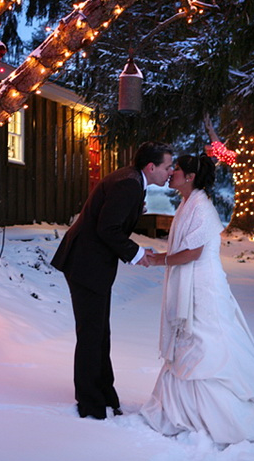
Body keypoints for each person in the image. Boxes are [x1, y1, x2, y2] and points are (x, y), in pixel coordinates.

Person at [140, 153, 254, 445]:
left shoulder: (202, 208)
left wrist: (158, 261)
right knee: (188, 343)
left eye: (177, 169)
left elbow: (193, 252)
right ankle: (179, 410)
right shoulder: (186, 204)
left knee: (205, 344)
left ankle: (227, 419)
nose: (171, 173)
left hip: (203, 288)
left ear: (191, 176)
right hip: (190, 283)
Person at [51, 141, 175, 420]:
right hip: (86, 264)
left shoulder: (131, 181)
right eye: (167, 166)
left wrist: (133, 211)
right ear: (151, 167)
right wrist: (138, 253)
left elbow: (110, 219)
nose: (170, 171)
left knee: (98, 334)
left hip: (91, 263)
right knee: (92, 335)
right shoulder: (129, 184)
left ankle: (103, 394)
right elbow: (107, 229)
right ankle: (90, 403)